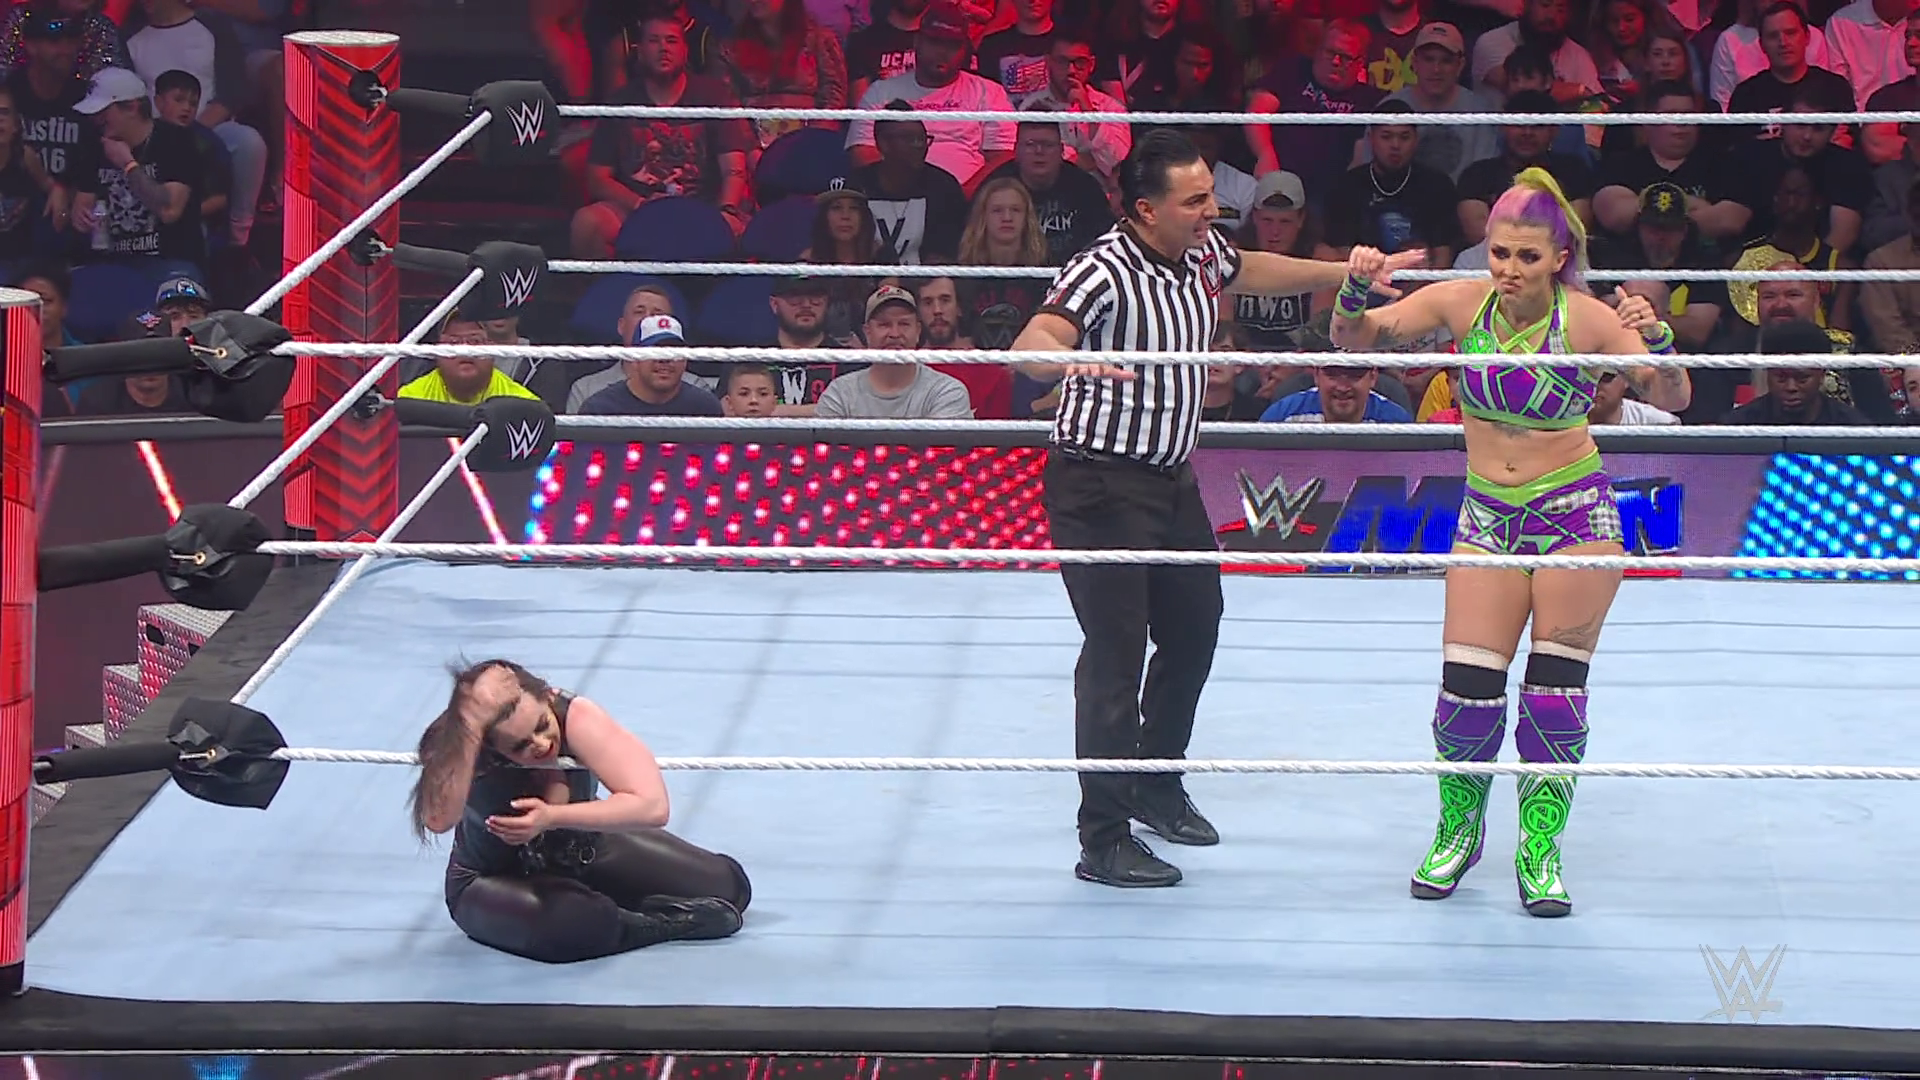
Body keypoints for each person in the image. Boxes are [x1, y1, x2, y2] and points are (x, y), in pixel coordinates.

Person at [1011, 127, 1425, 890]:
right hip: (1098, 483)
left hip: (1170, 478)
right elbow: (1034, 340)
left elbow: (1251, 266)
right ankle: (1102, 838)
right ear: (1146, 209)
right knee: (1114, 656)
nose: (1212, 209)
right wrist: (1070, 358)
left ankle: (1154, 782)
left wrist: (1342, 270)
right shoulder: (1103, 267)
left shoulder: (1201, 252)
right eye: (1195, 199)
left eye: (1210, 194)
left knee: (1194, 628)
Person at [1327, 168, 1692, 918]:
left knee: (1554, 699)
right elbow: (1355, 338)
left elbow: (1674, 393)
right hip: (1488, 516)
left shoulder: (1588, 319)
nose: (1511, 269)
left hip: (1575, 517)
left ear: (1559, 258)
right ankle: (1458, 833)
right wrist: (1354, 288)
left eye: (1528, 256)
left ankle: (1540, 848)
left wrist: (1657, 336)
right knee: (1465, 696)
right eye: (1500, 253)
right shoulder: (1462, 303)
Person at [408, 659, 751, 963]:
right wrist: (468, 729)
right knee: (575, 922)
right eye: (520, 745)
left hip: (581, 849)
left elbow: (653, 806)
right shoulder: (461, 746)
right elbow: (437, 819)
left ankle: (615, 904)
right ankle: (655, 924)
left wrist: (552, 818)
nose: (542, 744)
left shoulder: (576, 715)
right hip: (491, 879)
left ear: (547, 696)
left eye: (542, 725)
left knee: (728, 885)